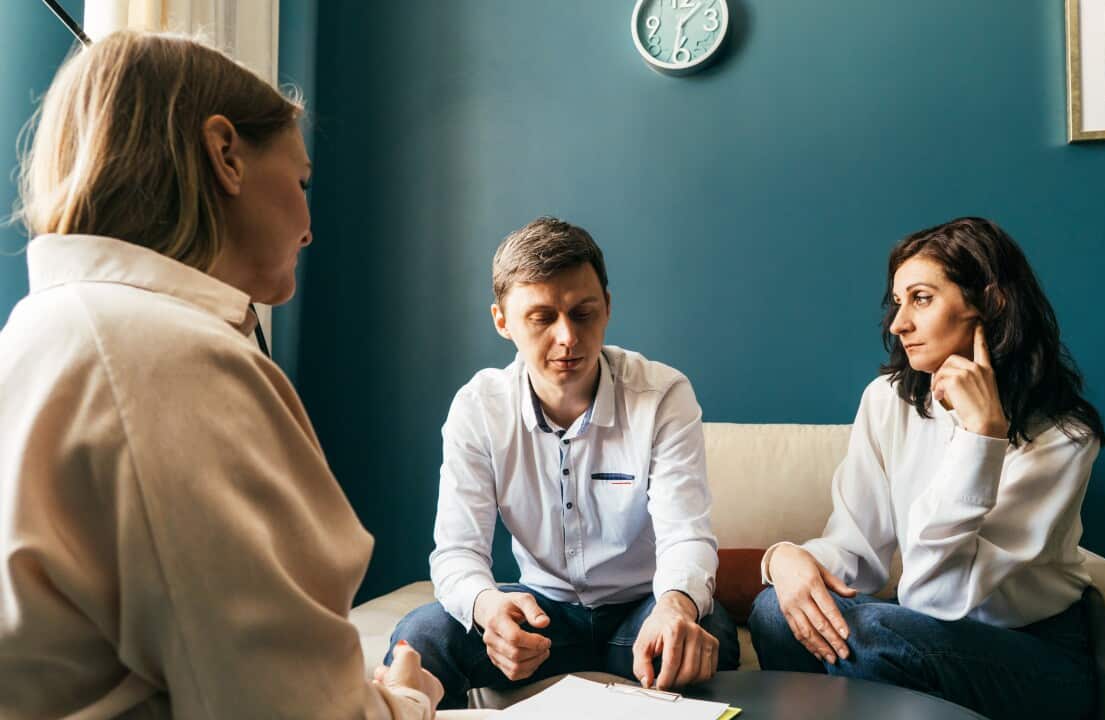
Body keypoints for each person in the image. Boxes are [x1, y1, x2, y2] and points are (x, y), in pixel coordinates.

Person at [0, 32, 441, 718]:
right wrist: (405, 701)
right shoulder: (165, 361)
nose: (309, 226)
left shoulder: (42, 329)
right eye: (302, 183)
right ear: (225, 154)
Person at [748, 217, 1105, 720]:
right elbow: (858, 550)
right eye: (898, 302)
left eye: (921, 298)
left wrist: (981, 437)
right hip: (921, 632)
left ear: (991, 302)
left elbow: (937, 595)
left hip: (1029, 655)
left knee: (877, 637)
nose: (898, 324)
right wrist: (787, 560)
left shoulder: (1064, 437)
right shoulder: (888, 400)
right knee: (775, 612)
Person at [386, 217, 739, 709]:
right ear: (502, 320)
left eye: (583, 313)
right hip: (542, 616)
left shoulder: (663, 395)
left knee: (703, 630)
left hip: (641, 612)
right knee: (422, 633)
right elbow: (456, 551)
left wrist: (675, 607)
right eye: (542, 317)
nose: (567, 337)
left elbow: (686, 535)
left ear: (608, 308)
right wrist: (490, 610)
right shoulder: (477, 407)